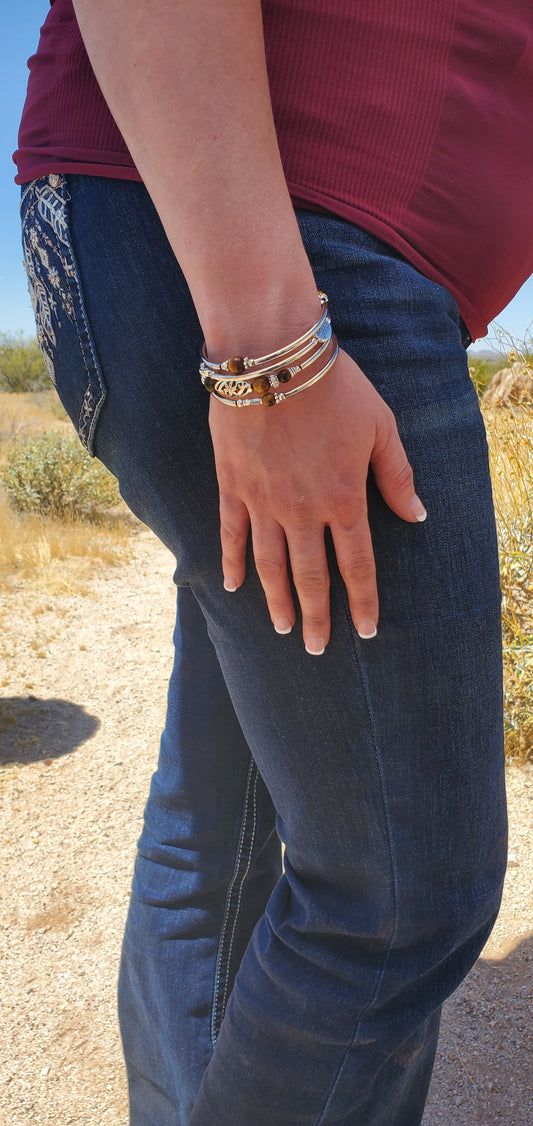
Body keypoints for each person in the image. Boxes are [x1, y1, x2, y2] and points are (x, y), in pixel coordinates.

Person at [13, 2, 532, 1123]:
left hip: (273, 234)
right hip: (287, 248)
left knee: (233, 796)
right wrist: (269, 345)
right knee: (396, 895)